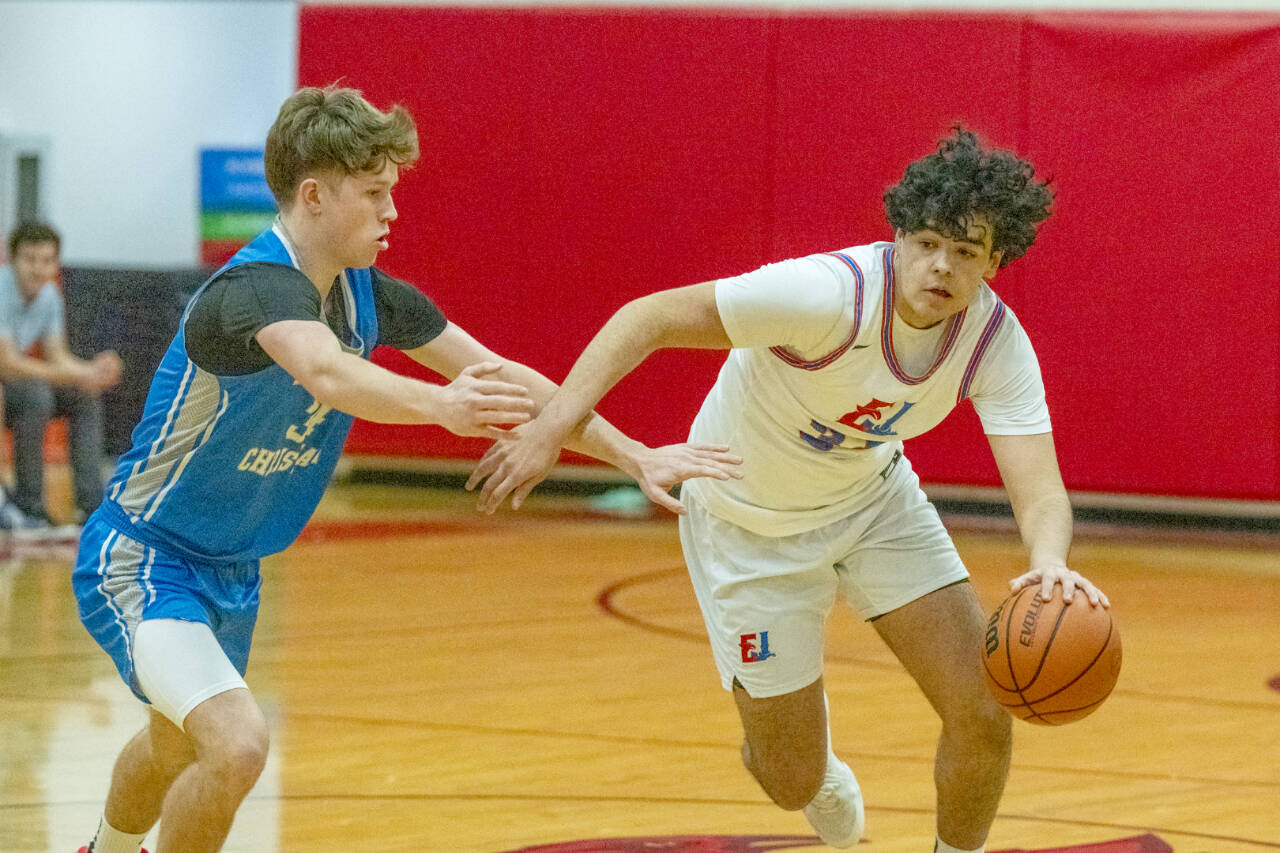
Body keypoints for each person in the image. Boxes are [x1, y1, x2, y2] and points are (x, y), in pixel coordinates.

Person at [70, 85, 741, 853]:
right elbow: (326, 372)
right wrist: (440, 407)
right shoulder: (251, 290)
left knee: (173, 747)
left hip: (232, 568)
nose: (393, 212)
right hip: (147, 556)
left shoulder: (368, 297)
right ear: (314, 195)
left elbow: (506, 377)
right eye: (376, 193)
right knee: (236, 744)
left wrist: (634, 452)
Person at [468, 128, 1111, 853]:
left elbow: (1041, 492)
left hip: (874, 504)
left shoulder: (994, 341)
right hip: (747, 524)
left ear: (995, 261)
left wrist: (1051, 561)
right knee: (789, 778)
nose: (941, 266)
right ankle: (818, 768)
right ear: (899, 234)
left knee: (986, 712)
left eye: (965, 253)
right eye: (928, 241)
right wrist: (553, 428)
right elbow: (645, 318)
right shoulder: (826, 295)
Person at [0, 221, 122, 531]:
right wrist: (68, 374)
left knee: (84, 396)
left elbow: (58, 358)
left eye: (46, 260)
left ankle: (91, 506)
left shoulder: (50, 295)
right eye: (29, 260)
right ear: (11, 260)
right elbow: (7, 364)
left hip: (15, 388)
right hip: (7, 387)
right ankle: (29, 506)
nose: (38, 269)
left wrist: (92, 371)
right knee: (36, 395)